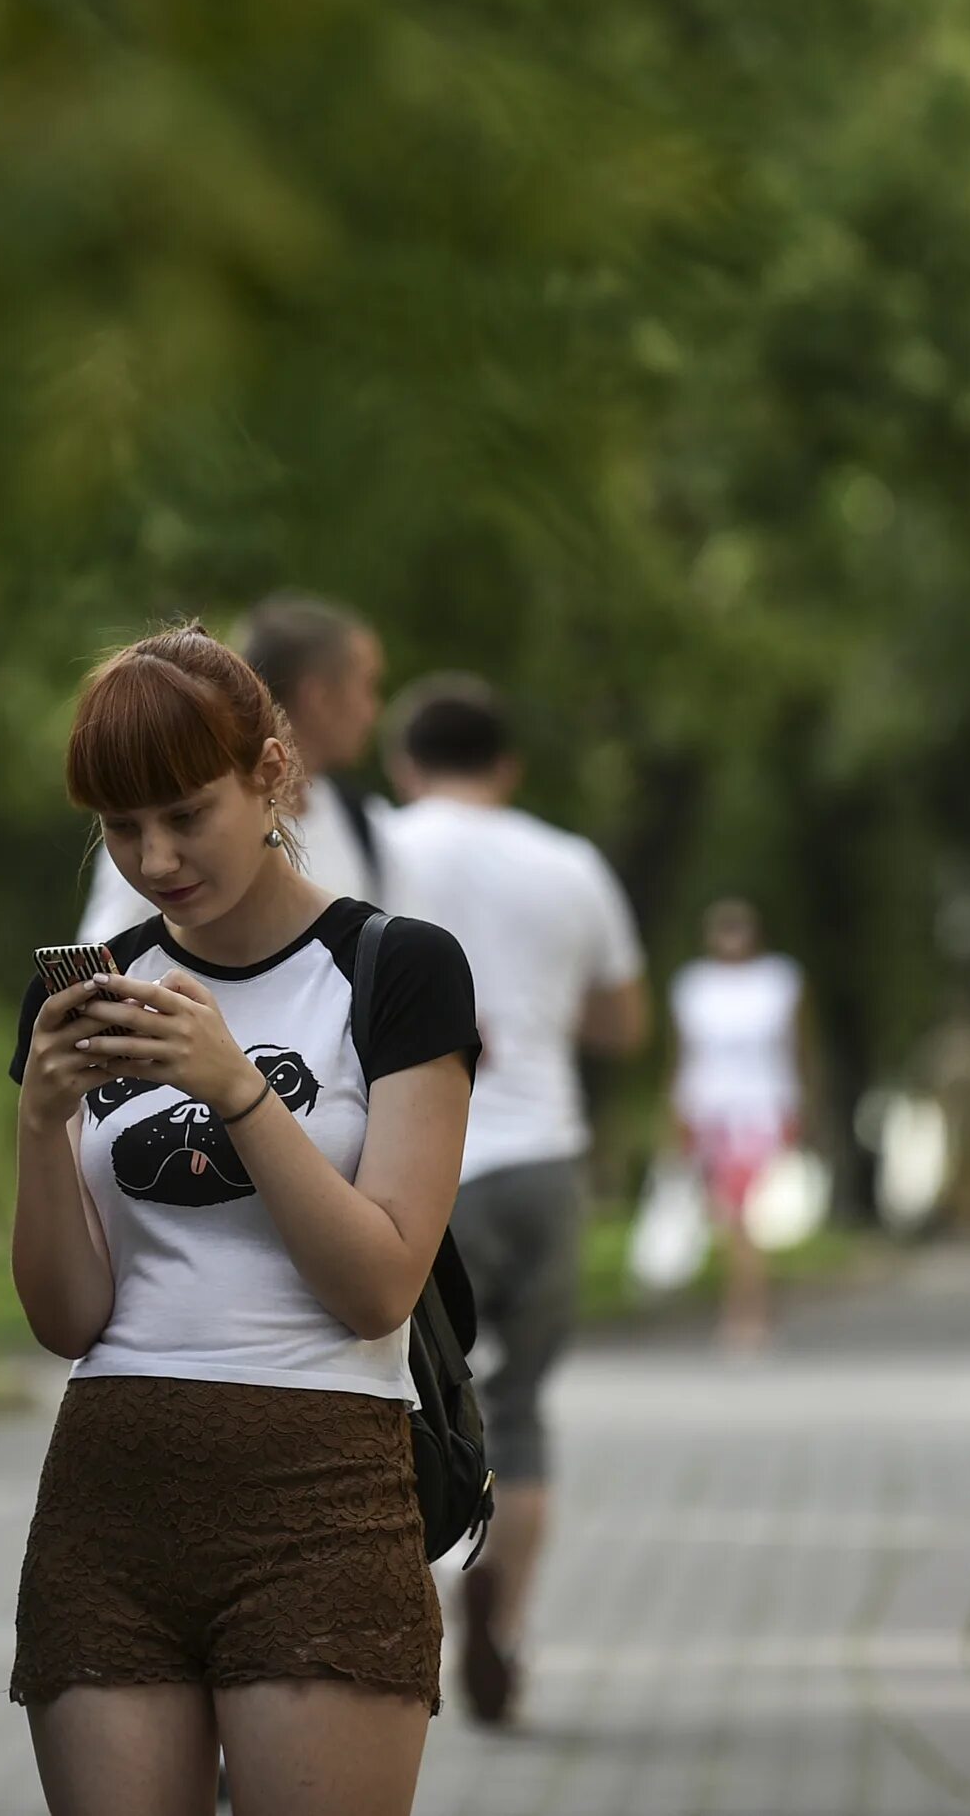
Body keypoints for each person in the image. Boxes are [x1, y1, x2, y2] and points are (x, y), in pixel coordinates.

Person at [11, 625, 478, 1816]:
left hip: (323, 1491)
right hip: (111, 1496)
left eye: (184, 813)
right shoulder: (89, 984)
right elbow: (69, 1315)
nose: (155, 856)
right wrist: (37, 1126)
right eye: (122, 827)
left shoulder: (396, 968)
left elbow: (377, 1283)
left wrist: (237, 1088)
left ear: (271, 772)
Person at [375, 674, 646, 1728]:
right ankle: (508, 1624)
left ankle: (423, 1621)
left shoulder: (384, 845)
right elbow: (625, 1021)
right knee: (521, 1406)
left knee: (399, 1398)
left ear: (405, 761)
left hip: (416, 1161)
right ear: (510, 765)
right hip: (543, 1157)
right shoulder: (569, 861)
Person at [79, 593, 389, 941]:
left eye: (186, 816)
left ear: (271, 773)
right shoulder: (153, 817)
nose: (156, 863)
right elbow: (106, 956)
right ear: (318, 696)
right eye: (368, 686)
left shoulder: (362, 821)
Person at [668, 901, 805, 1352]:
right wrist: (678, 1115)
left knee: (743, 1218)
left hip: (759, 1114)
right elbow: (684, 1056)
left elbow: (795, 1049)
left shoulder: (778, 982)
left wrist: (796, 1110)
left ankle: (746, 1313)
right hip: (710, 1114)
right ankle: (748, 1307)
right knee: (730, 1221)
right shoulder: (693, 987)